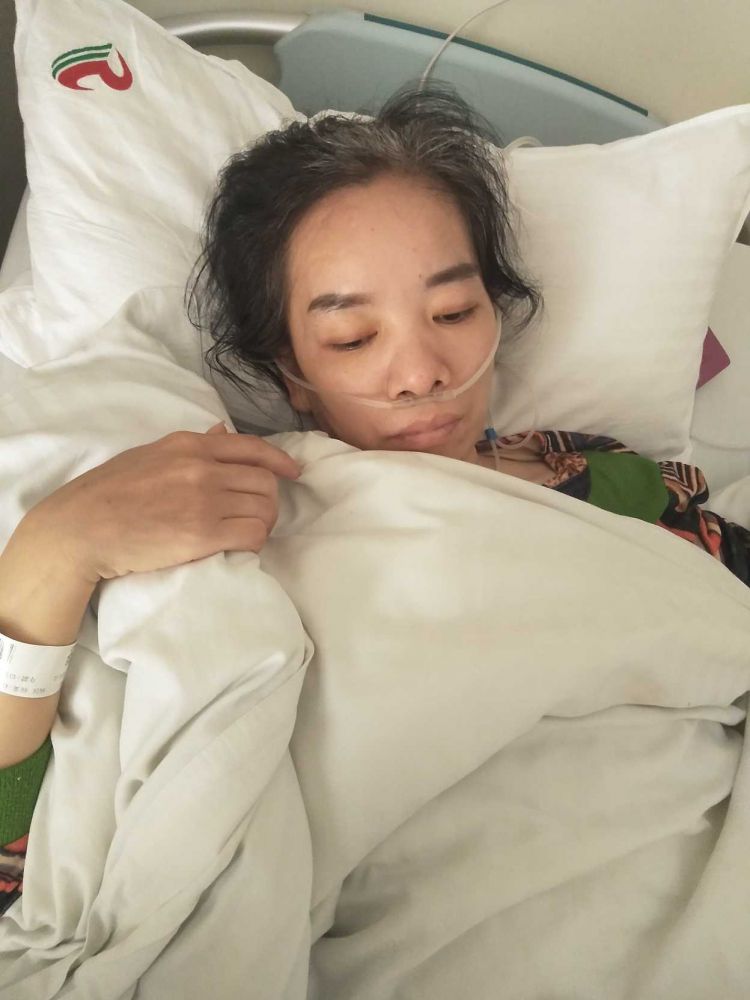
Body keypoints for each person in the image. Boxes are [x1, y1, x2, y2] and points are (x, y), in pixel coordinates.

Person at [0, 83, 748, 918]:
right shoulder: (225, 510)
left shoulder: (595, 475)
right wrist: (49, 557)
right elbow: (22, 858)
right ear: (293, 373)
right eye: (353, 337)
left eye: (453, 311)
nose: (423, 372)